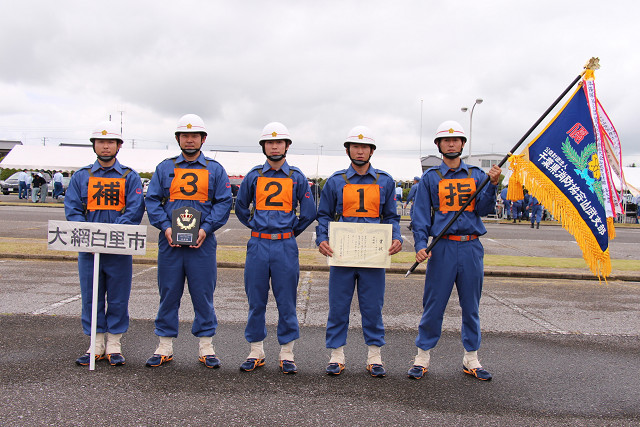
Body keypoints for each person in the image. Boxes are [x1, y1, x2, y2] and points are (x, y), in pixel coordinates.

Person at [407, 120, 501, 381]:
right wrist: (420, 245)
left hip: (471, 246)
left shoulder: (476, 175)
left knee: (471, 305)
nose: (451, 143)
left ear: (462, 144)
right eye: (446, 140)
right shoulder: (430, 178)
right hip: (443, 247)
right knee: (434, 304)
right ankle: (422, 356)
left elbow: (483, 209)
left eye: (456, 140)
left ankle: (471, 357)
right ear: (438, 145)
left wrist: (492, 184)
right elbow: (420, 216)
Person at [145, 114, 232, 369]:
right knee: (169, 293)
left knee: (203, 294)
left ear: (203, 139)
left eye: (195, 136)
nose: (190, 140)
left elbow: (224, 202)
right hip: (170, 242)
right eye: (185, 135)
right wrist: (164, 226)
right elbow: (152, 201)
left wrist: (206, 228)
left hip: (202, 244)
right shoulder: (165, 167)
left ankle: (206, 346)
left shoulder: (215, 169)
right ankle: (164, 345)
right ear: (178, 138)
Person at [316, 125, 402, 377]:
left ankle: (374, 356)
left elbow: (391, 217)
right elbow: (323, 215)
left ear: (372, 150)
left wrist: (396, 238)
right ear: (347, 150)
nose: (360, 151)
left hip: (373, 256)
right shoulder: (335, 181)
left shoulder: (385, 181)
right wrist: (322, 239)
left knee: (372, 306)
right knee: (338, 305)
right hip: (342, 254)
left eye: (365, 147)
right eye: (355, 146)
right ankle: (336, 355)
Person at [235, 122, 317, 374]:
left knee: (286, 301)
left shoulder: (297, 177)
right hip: (258, 244)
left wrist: (291, 232)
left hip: (285, 245)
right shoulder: (253, 175)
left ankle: (287, 352)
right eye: (269, 142)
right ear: (263, 146)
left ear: (287, 146)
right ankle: (256, 351)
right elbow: (240, 207)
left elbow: (310, 211)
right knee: (256, 300)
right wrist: (255, 225)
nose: (274, 146)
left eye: (279, 142)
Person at [64, 120, 145, 366]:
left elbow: (134, 209)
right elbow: (73, 208)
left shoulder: (130, 177)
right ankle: (95, 343)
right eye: (101, 142)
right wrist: (88, 232)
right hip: (89, 247)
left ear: (119, 145)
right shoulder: (81, 176)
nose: (106, 146)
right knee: (91, 295)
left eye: (110, 142)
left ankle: (114, 343)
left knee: (119, 296)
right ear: (94, 145)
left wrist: (112, 232)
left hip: (118, 247)